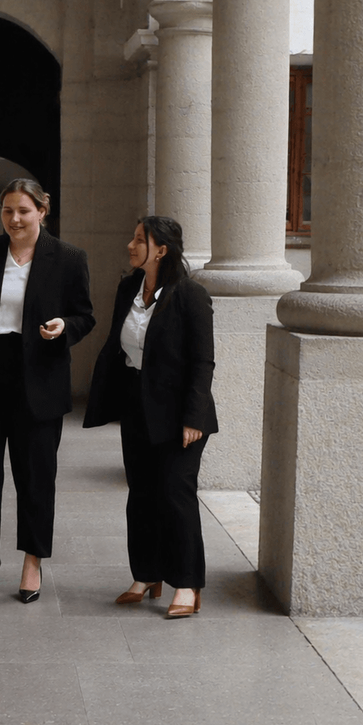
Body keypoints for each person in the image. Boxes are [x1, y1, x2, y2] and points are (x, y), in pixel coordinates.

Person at [0, 178, 94, 603]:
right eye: (7, 211)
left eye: (23, 211)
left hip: (40, 377)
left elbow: (84, 315)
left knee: (36, 476)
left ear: (42, 211)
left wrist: (64, 328)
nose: (14, 219)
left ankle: (32, 562)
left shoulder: (68, 258)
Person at [84, 216, 217, 618]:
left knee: (176, 495)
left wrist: (193, 417)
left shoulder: (191, 295)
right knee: (140, 494)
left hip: (181, 417)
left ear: (161, 250)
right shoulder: (129, 287)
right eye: (133, 236)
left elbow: (203, 362)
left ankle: (188, 584)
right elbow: (118, 347)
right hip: (137, 407)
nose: (130, 244)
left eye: (140, 239)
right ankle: (146, 574)